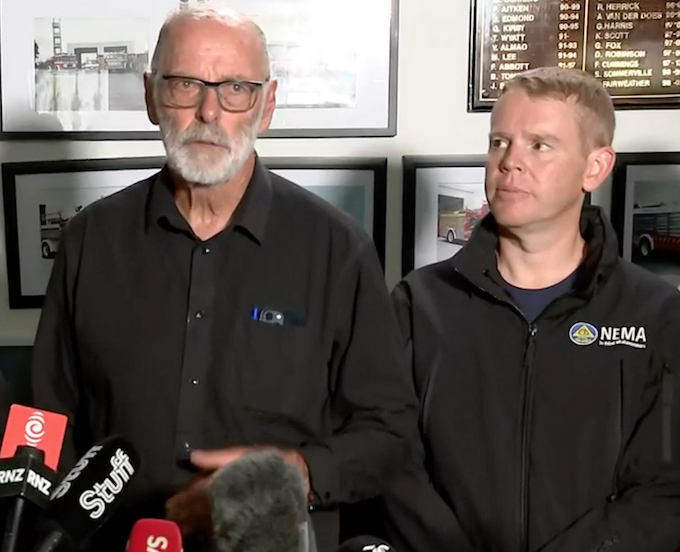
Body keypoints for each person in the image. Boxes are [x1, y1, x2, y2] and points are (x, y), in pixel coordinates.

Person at [30, 5, 417, 552]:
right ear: (149, 96)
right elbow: (49, 421)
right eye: (186, 84)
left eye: (236, 88)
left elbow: (391, 436)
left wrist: (289, 476)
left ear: (267, 106)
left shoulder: (337, 249)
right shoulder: (90, 241)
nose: (209, 111)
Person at [376, 67, 680, 551]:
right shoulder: (419, 303)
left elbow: (665, 489)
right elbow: (390, 460)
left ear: (595, 167)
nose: (510, 162)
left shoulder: (658, 314)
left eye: (540, 145)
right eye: (500, 142)